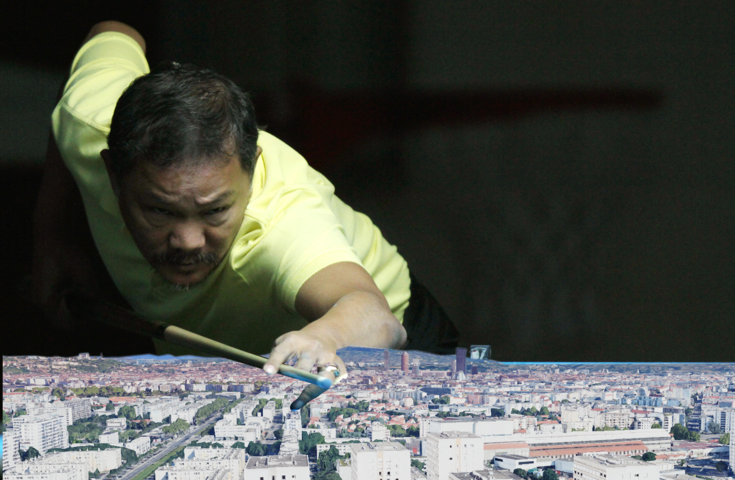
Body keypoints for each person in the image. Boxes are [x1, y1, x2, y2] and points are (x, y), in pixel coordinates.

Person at [32, 21, 459, 407]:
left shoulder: (280, 225)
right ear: (111, 171)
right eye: (159, 210)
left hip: (383, 340)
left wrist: (323, 337)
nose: (187, 241)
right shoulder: (86, 123)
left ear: (252, 169)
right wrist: (52, 233)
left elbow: (374, 316)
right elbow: (112, 31)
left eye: (214, 210)